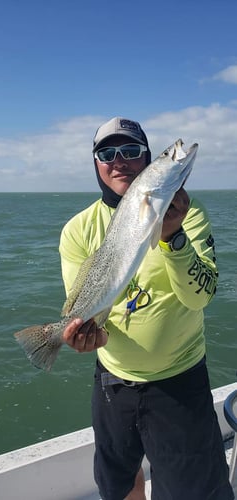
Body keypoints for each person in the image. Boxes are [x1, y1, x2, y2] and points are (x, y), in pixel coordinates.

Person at [59, 117, 234, 500]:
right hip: (112, 381)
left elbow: (199, 297)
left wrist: (173, 237)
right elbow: (85, 304)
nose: (119, 160)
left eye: (132, 151)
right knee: (119, 482)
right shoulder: (77, 229)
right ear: (96, 164)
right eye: (108, 153)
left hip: (179, 380)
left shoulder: (189, 212)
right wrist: (89, 333)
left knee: (193, 491)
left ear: (148, 162)